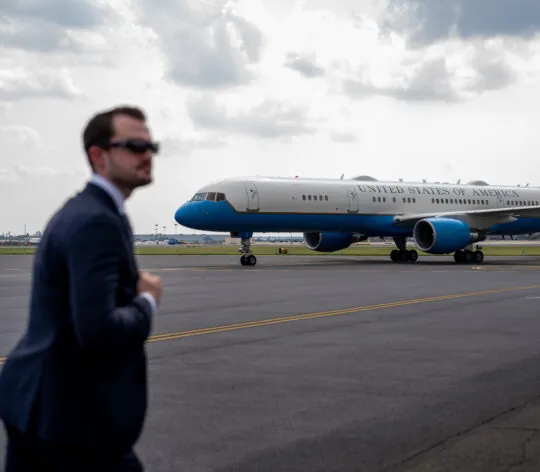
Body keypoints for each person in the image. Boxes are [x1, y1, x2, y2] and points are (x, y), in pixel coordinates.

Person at [0, 105, 163, 471]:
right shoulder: (97, 222)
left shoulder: (84, 210)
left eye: (152, 147)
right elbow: (98, 329)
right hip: (71, 419)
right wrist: (147, 302)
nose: (147, 155)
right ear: (98, 155)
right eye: (134, 145)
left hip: (39, 405)